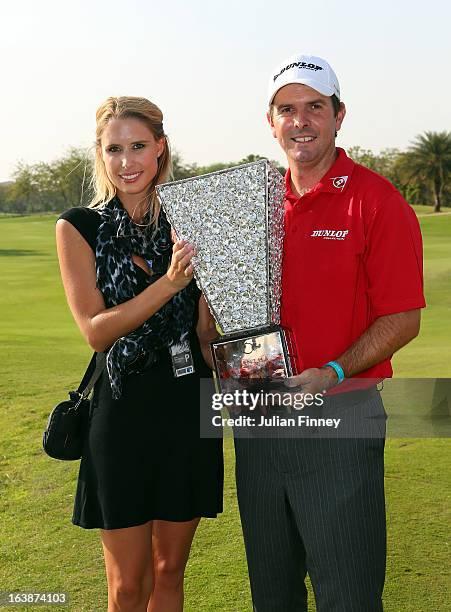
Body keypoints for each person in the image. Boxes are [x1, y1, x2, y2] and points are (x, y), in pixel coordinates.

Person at [233, 54, 426, 611]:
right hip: (261, 418)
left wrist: (333, 371)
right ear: (271, 123)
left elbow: (402, 318)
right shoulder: (255, 206)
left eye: (315, 107)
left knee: (348, 594)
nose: (301, 121)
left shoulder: (377, 201)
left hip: (341, 416)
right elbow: (229, 314)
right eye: (287, 109)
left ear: (339, 116)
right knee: (272, 594)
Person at [56, 96, 223, 612]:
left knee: (169, 573)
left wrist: (228, 317)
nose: (127, 160)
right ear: (100, 156)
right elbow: (97, 331)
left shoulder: (193, 223)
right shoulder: (79, 226)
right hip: (121, 411)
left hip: (186, 404)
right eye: (114, 149)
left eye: (138, 146)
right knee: (129, 586)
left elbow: (204, 334)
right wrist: (170, 283)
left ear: (160, 149)